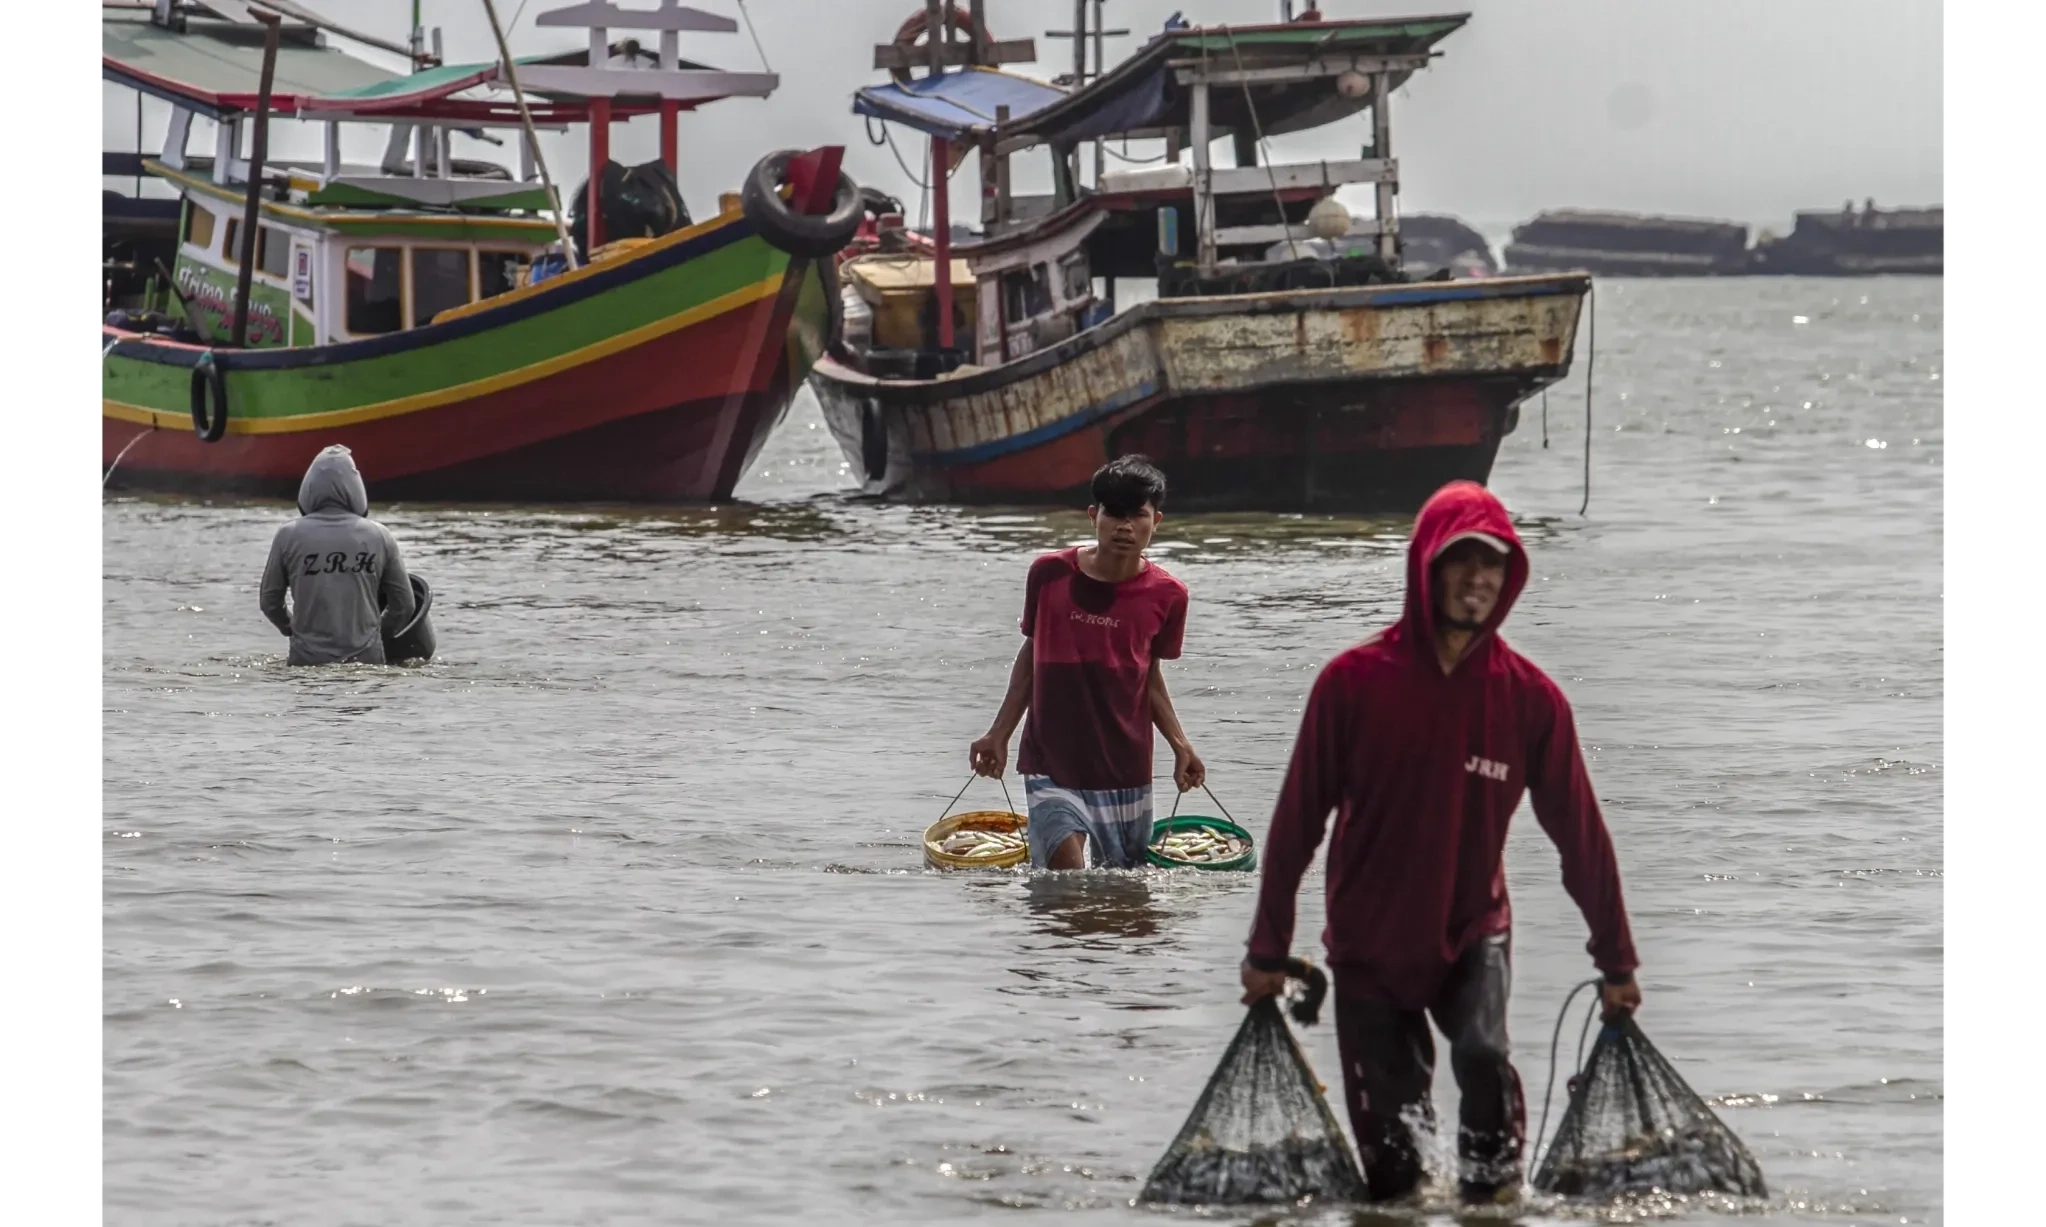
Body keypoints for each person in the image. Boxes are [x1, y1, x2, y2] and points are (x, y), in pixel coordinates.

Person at [1238, 480, 1640, 1205]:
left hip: (1473, 931)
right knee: (1394, 1171)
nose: (1478, 579)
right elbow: (1297, 822)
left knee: (1484, 1058)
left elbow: (1580, 836)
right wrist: (1268, 948)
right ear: (1426, 565)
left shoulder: (1531, 699)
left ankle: (1495, 1204)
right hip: (1367, 944)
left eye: (1493, 563)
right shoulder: (1352, 683)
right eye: (1462, 560)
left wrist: (1617, 961)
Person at [968, 456, 1205, 869]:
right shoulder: (1049, 574)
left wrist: (1181, 746)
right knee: (1066, 876)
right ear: (1094, 516)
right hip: (1050, 759)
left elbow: (1149, 678)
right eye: (1114, 514)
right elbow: (1032, 656)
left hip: (1124, 764)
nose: (1125, 527)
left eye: (1137, 515)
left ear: (1156, 521)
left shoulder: (1169, 595)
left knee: (1124, 888)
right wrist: (999, 733)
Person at [259, 445, 415, 666]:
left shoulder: (288, 535)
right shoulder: (379, 535)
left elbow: (269, 602)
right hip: (367, 662)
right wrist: (377, 635)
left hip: (306, 662)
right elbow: (404, 605)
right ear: (356, 488)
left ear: (308, 488)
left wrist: (291, 629)